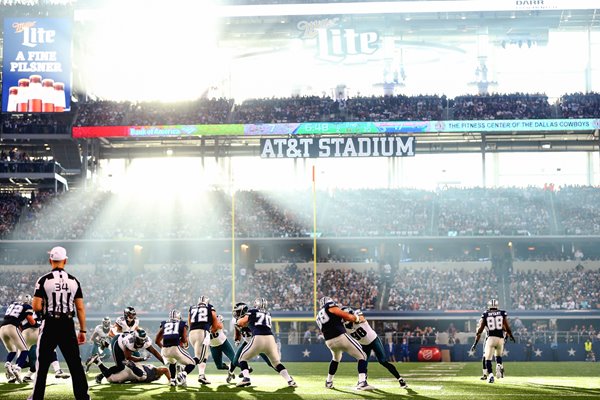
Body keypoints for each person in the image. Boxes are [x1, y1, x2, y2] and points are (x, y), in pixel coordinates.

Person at [28, 246, 90, 400]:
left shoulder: (43, 280)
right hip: (67, 324)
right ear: (65, 261)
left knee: (42, 365)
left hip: (50, 323)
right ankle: (83, 397)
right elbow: (80, 308)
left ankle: (37, 397)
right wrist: (82, 331)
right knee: (75, 364)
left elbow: (35, 306)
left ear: (51, 260)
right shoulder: (74, 281)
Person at [235, 297, 296, 388]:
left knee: (242, 359)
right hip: (271, 339)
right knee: (276, 363)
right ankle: (290, 380)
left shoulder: (252, 311)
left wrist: (239, 321)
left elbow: (241, 322)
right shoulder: (268, 313)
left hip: (259, 338)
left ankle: (246, 379)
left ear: (256, 304)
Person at [342, 307, 408, 388]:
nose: (344, 319)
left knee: (383, 361)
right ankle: (362, 381)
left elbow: (361, 318)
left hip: (374, 340)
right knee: (362, 361)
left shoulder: (358, 315)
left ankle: (400, 379)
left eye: (345, 316)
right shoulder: (344, 326)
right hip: (364, 344)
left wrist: (352, 318)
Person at [316, 296, 371, 390]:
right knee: (362, 355)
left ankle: (329, 381)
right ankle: (362, 382)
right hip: (340, 337)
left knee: (336, 359)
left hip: (329, 341)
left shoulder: (318, 316)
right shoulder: (330, 306)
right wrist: (355, 318)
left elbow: (332, 321)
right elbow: (343, 315)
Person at [92, 329, 164, 384]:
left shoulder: (146, 341)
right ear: (135, 338)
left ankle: (106, 345)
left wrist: (164, 361)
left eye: (143, 340)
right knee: (120, 366)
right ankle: (100, 376)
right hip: (118, 343)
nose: (141, 342)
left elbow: (154, 352)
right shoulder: (130, 342)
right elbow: (128, 357)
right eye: (139, 340)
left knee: (136, 356)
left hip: (127, 346)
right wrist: (142, 359)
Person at [20, 303, 70, 382]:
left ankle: (20, 373)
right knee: (49, 351)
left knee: (27, 360)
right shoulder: (42, 310)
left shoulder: (26, 310)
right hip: (36, 332)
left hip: (25, 334)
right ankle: (57, 371)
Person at [227, 302, 274, 383]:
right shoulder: (236, 320)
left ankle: (282, 371)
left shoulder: (250, 317)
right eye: (236, 311)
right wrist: (237, 339)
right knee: (235, 360)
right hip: (247, 342)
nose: (236, 313)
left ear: (243, 311)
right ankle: (243, 370)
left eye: (238, 311)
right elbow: (237, 331)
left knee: (270, 362)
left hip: (257, 342)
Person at [470, 299, 515, 384]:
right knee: (498, 356)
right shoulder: (502, 313)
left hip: (490, 338)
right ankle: (499, 365)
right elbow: (506, 328)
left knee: (487, 358)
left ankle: (489, 375)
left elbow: (480, 330)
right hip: (500, 338)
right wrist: (510, 336)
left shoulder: (486, 314)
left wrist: (475, 343)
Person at [155, 309, 196, 387]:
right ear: (179, 317)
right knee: (192, 363)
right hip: (175, 348)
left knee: (172, 362)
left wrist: (163, 347)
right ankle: (182, 374)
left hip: (164, 350)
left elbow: (157, 340)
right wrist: (183, 343)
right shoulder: (181, 324)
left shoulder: (164, 324)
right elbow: (184, 339)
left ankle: (173, 380)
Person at [1, 293, 36, 383]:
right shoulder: (27, 306)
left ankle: (8, 363)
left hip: (2, 328)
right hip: (12, 327)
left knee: (12, 351)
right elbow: (31, 321)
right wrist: (37, 324)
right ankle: (17, 368)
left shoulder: (12, 305)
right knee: (24, 350)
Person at [188, 295, 222, 384]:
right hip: (202, 332)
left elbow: (189, 321)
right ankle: (184, 371)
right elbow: (214, 318)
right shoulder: (209, 307)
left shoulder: (192, 308)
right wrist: (214, 328)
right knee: (200, 357)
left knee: (203, 355)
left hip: (192, 333)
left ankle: (201, 375)